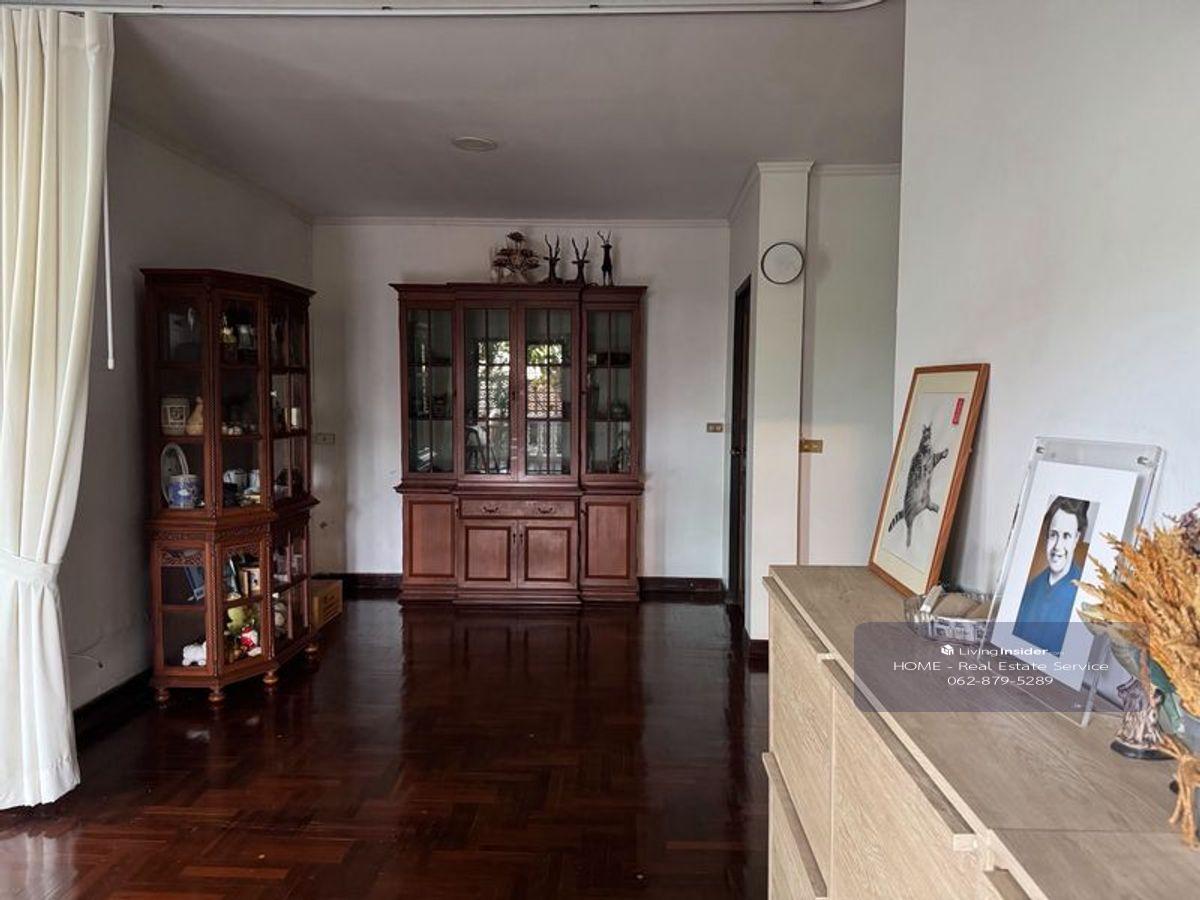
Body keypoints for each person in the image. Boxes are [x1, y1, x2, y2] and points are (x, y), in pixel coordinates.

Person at [1012, 496, 1089, 655]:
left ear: (1076, 538)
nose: (1057, 546)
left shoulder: (1084, 596)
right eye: (1053, 534)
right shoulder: (1030, 589)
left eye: (1066, 536)